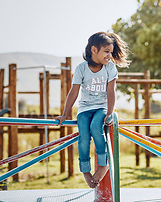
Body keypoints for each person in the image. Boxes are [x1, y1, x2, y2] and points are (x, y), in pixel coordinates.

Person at [55, 32, 129, 188]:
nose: (109, 55)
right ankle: (86, 171)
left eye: (111, 51)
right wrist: (64, 114)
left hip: (101, 107)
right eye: (106, 52)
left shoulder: (110, 67)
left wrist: (110, 113)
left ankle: (103, 164)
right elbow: (74, 92)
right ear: (94, 50)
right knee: (83, 135)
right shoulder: (81, 68)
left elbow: (111, 91)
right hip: (84, 108)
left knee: (96, 127)